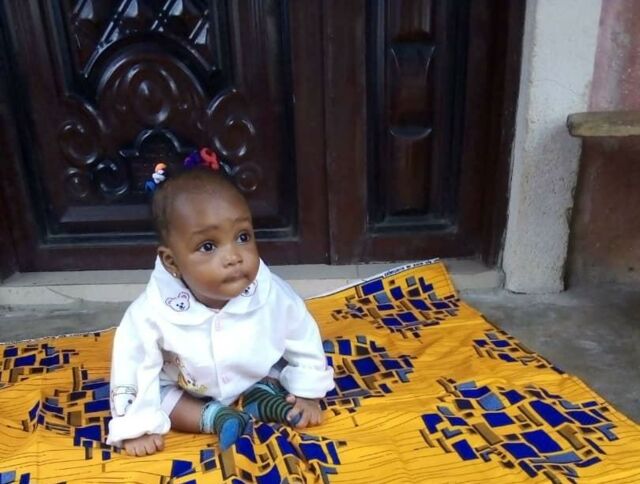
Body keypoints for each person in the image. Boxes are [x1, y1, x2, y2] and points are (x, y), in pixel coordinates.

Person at [106, 149, 335, 457]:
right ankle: (215, 417)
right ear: (172, 262)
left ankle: (260, 397)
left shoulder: (271, 293)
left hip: (254, 373)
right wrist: (136, 425)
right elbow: (133, 366)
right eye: (208, 246)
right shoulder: (150, 313)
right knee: (161, 399)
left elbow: (301, 335)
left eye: (243, 237)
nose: (233, 256)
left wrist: (308, 390)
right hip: (187, 388)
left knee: (276, 370)